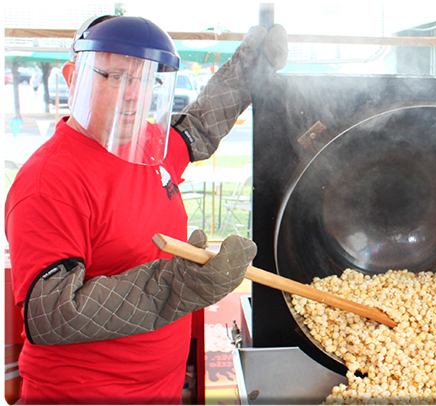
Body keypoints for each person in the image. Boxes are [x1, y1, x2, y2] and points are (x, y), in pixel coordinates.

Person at [4, 15, 287, 405]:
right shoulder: (49, 181)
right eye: (116, 77)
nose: (133, 95)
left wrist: (251, 64)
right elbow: (52, 313)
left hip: (163, 390)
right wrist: (180, 285)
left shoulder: (147, 145)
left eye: (145, 79)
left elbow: (198, 128)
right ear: (73, 77)